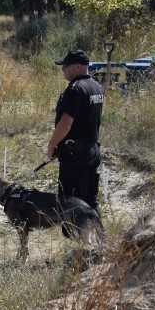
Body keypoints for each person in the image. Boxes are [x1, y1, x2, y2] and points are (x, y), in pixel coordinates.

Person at [46, 49, 104, 213]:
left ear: (78, 67)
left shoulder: (75, 89)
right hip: (92, 150)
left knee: (71, 203)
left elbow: (65, 124)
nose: (63, 69)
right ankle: (99, 236)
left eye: (66, 66)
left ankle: (77, 236)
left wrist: (52, 145)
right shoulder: (96, 87)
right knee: (90, 201)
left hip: (75, 156)